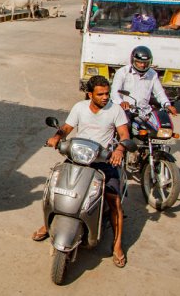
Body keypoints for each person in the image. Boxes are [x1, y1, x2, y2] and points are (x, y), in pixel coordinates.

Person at [31, 75, 130, 268]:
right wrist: (56, 137)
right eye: (100, 94)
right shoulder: (80, 108)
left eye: (107, 93)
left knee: (113, 199)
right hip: (79, 155)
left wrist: (119, 149)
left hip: (103, 160)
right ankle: (50, 224)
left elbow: (124, 133)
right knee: (55, 187)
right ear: (90, 94)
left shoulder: (115, 110)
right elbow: (67, 128)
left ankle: (117, 244)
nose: (105, 97)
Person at [111, 46, 177, 118]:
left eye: (145, 63)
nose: (142, 65)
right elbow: (114, 93)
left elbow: (159, 93)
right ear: (133, 61)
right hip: (125, 112)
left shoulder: (152, 74)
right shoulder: (123, 72)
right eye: (139, 62)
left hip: (145, 113)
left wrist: (167, 105)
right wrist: (121, 102)